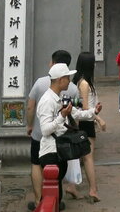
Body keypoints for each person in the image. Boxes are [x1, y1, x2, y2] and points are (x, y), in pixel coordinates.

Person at [37, 63, 100, 210]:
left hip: (59, 150)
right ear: (60, 80)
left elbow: (76, 114)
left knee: (54, 191)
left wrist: (93, 112)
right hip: (50, 152)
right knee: (52, 191)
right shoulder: (47, 101)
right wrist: (61, 116)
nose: (69, 81)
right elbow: (45, 130)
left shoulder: (61, 97)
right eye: (67, 78)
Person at [26, 50, 80, 209]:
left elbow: (30, 107)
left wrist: (30, 125)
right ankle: (56, 200)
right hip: (61, 137)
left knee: (36, 164)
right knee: (58, 166)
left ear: (53, 63)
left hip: (40, 133)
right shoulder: (72, 88)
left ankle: (38, 201)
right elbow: (75, 112)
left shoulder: (40, 83)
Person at [73, 52, 106, 203]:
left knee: (81, 156)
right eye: (92, 63)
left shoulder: (81, 81)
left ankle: (72, 186)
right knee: (88, 157)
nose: (94, 65)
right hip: (86, 122)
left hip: (85, 120)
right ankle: (93, 190)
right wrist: (99, 119)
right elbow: (86, 107)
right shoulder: (84, 83)